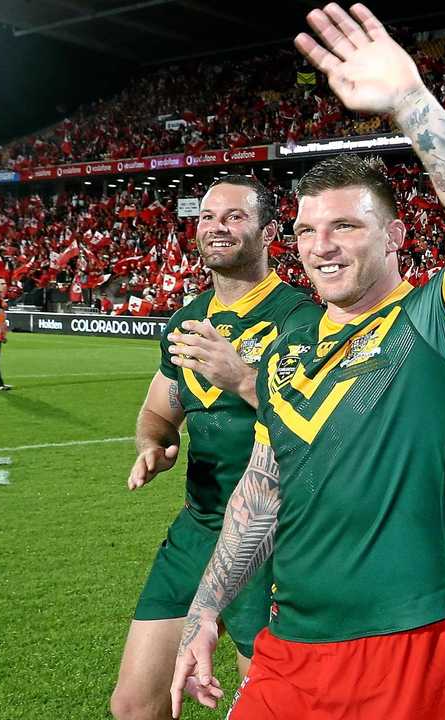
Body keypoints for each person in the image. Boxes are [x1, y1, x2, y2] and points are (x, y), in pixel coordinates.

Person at [170, 5, 445, 719]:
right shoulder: (284, 351)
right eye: (304, 229)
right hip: (288, 647)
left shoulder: (435, 325)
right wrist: (206, 609)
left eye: (344, 226)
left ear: (393, 234)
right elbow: (262, 492)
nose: (320, 245)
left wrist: (409, 101)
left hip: (410, 646)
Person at [110, 175, 320, 720]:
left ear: (269, 231)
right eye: (207, 216)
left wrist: (244, 378)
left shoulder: (302, 319)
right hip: (199, 526)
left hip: (270, 535)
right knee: (134, 705)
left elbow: (324, 429)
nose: (216, 227)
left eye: (233, 216)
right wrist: (153, 444)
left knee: (271, 708)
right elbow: (159, 410)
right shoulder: (186, 319)